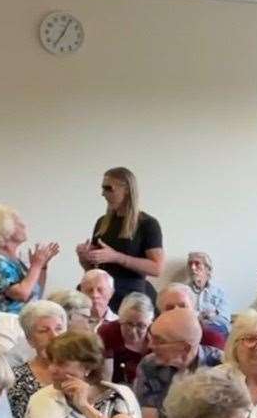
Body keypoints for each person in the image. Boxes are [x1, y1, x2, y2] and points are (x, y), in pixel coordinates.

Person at [135, 307, 225, 418]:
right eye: (151, 337)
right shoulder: (149, 366)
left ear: (185, 348)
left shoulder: (221, 367)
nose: (150, 345)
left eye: (159, 341)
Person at [78, 165, 164, 307]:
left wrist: (117, 257)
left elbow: (157, 268)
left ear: (127, 190)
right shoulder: (102, 223)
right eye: (103, 188)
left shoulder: (147, 224)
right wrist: (85, 258)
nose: (103, 194)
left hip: (130, 297)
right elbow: (93, 270)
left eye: (108, 188)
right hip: (102, 295)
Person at [0, 202, 58, 311]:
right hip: (6, 324)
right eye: (19, 224)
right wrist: (36, 266)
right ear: (5, 229)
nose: (24, 225)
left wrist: (42, 266)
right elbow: (22, 294)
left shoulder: (16, 261)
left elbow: (35, 294)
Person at [9, 297, 69, 418]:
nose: (54, 336)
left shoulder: (83, 371)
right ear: (29, 340)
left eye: (59, 328)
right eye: (43, 331)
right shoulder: (16, 379)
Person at [100, 290, 155, 385]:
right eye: (128, 324)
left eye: (141, 325)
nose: (133, 331)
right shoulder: (107, 332)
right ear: (120, 319)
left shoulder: (158, 337)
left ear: (150, 323)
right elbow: (103, 377)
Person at [157, 280, 228, 349]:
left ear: (193, 310)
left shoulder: (212, 340)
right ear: (160, 314)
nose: (177, 313)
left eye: (183, 307)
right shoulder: (154, 342)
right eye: (170, 309)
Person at [183, 249, 232, 335]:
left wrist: (201, 316)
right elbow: (183, 315)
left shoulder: (219, 292)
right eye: (190, 264)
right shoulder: (183, 291)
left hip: (216, 330)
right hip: (191, 330)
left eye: (197, 263)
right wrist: (208, 315)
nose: (192, 267)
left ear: (207, 268)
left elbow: (225, 318)